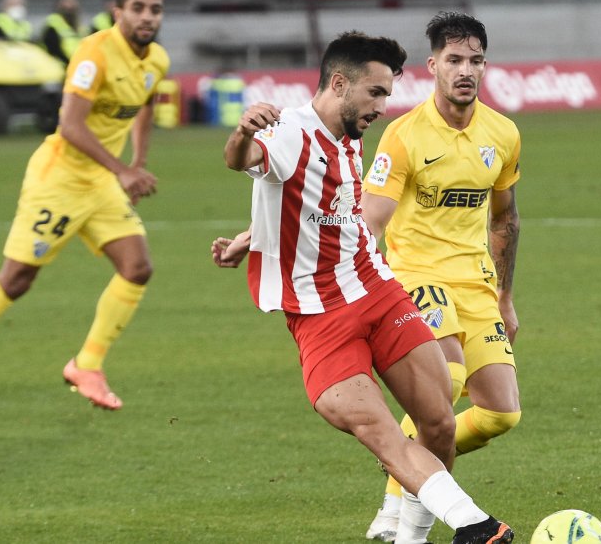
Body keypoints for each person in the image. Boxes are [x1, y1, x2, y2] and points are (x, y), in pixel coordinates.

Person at [211, 31, 514, 544]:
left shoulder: (350, 136)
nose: (382, 106)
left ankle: (412, 539)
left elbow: (333, 213)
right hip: (320, 316)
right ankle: (474, 525)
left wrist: (251, 237)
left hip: (377, 290)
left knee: (440, 423)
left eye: (386, 94)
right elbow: (242, 160)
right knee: (384, 434)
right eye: (375, 93)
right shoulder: (289, 132)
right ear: (339, 83)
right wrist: (243, 131)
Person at [0, 0, 170, 420]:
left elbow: (147, 103)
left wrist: (136, 162)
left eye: (155, 9)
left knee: (137, 268)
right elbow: (71, 126)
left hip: (101, 182)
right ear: (118, 12)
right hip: (58, 179)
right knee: (17, 280)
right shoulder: (94, 53)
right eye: (137, 8)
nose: (147, 17)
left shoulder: (157, 59)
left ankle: (87, 366)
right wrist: (123, 171)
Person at [361, 12, 523, 543]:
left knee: (500, 414)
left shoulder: (502, 134)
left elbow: (504, 219)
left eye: (475, 60)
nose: (465, 71)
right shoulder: (403, 135)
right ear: (432, 66)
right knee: (445, 386)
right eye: (454, 60)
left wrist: (505, 296)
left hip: (475, 282)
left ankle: (400, 470)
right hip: (415, 275)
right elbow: (371, 219)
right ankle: (402, 511)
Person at [41, 0, 85, 64]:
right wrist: (67, 61)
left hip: (77, 64)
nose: (70, 6)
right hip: (59, 64)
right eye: (67, 2)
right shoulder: (53, 22)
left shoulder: (80, 26)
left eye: (72, 3)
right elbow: (52, 47)